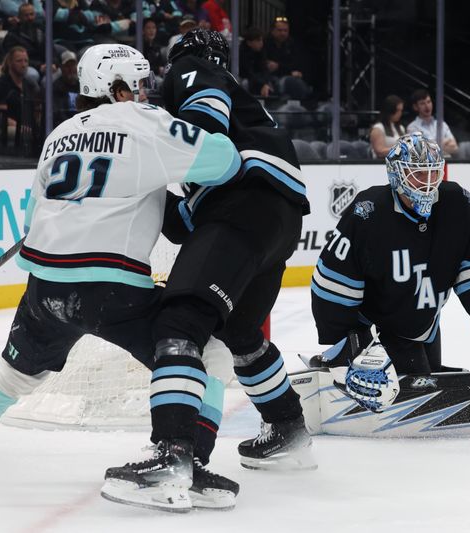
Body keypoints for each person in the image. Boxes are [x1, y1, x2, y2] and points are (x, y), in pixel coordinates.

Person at [0, 44, 243, 511]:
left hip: (46, 288)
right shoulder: (142, 120)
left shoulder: (58, 135)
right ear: (116, 87)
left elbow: (34, 216)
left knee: (13, 374)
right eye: (139, 84)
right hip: (114, 287)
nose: (145, 92)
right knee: (208, 355)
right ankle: (181, 459)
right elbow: (224, 160)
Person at [101, 28, 314, 512]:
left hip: (243, 207)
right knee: (239, 331)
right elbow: (183, 223)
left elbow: (199, 127)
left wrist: (137, 145)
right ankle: (288, 428)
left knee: (179, 322)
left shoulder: (194, 69)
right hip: (274, 220)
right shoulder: (246, 113)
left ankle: (173, 455)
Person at [309, 133, 470, 414]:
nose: (427, 184)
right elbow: (330, 288)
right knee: (414, 388)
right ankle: (330, 362)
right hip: (372, 329)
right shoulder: (368, 213)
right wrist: (348, 346)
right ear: (396, 176)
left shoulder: (463, 208)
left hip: (424, 326)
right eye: (417, 175)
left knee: (430, 380)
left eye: (433, 174)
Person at [0, 46, 40, 139]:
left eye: (26, 61)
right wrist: (21, 126)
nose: (23, 65)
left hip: (27, 125)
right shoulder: (0, 85)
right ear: (10, 63)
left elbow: (36, 110)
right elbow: (0, 114)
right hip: (6, 126)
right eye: (19, 61)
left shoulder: (30, 85)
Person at [263, 16, 311, 99]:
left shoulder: (292, 45)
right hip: (268, 78)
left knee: (293, 82)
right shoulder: (265, 44)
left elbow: (296, 65)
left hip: (287, 76)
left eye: (285, 30)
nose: (283, 33)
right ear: (273, 31)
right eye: (280, 30)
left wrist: (278, 66)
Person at [406, 89, 458, 156]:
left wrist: (432, 145)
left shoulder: (442, 124)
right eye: (422, 103)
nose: (427, 106)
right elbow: (422, 152)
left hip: (448, 164)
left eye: (429, 102)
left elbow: (455, 147)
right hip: (427, 165)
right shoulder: (412, 127)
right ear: (415, 107)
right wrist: (445, 141)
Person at [239, 26, 274, 97]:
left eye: (262, 40)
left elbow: (264, 69)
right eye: (258, 40)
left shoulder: (261, 52)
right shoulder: (242, 53)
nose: (261, 43)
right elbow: (248, 73)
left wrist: (266, 83)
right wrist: (262, 84)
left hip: (258, 80)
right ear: (249, 43)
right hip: (245, 79)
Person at [369, 94, 405, 159]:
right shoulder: (378, 128)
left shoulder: (401, 128)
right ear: (390, 110)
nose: (400, 113)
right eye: (397, 110)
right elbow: (379, 152)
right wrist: (400, 150)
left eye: (401, 110)